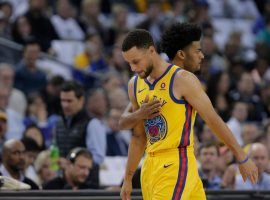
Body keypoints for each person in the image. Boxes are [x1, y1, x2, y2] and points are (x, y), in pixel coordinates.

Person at [120, 23, 258, 200]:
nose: (133, 68)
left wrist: (241, 156)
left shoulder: (182, 79)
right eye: (129, 63)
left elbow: (213, 119)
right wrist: (128, 178)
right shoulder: (135, 84)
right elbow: (138, 136)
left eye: (136, 61)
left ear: (151, 51)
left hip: (176, 162)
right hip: (149, 166)